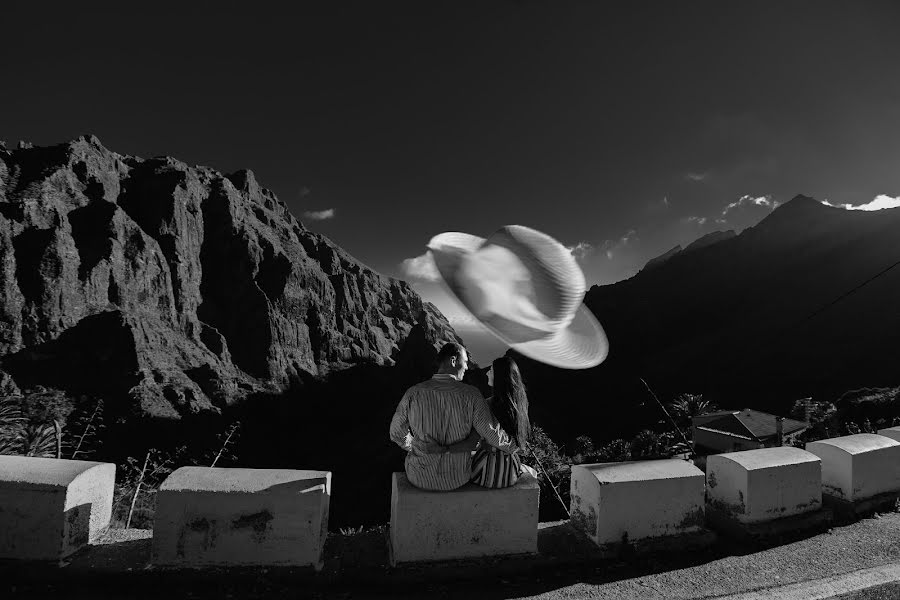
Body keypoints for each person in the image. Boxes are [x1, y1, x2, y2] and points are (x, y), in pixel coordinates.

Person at [389, 342, 512, 491]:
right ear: (453, 361)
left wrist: (415, 446)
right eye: (465, 362)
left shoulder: (413, 393)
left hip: (418, 477)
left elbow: (396, 433)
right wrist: (516, 447)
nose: (467, 367)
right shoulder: (472, 395)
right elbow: (491, 434)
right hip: (457, 479)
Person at [426, 355, 538, 489]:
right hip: (510, 472)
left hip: (485, 472)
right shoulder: (520, 404)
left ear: (499, 377)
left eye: (491, 371)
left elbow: (471, 443)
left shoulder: (486, 406)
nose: (486, 373)